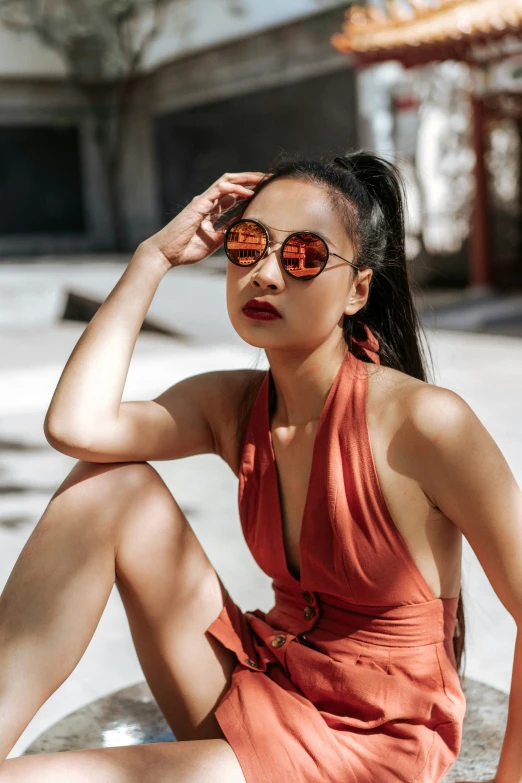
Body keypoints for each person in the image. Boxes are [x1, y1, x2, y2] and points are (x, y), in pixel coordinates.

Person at [0, 151, 519, 783]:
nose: (265, 274)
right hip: (267, 679)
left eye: (302, 255)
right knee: (107, 486)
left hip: (366, 746)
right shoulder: (234, 405)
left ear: (358, 289)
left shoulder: (424, 424)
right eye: (247, 245)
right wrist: (153, 260)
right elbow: (77, 429)